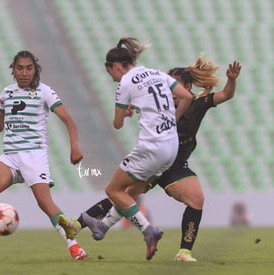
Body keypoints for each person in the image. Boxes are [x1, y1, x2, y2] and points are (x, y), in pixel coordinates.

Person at [59, 55, 242, 262]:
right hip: (157, 159)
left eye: (176, 87)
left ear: (188, 86)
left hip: (176, 165)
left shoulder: (197, 103)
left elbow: (226, 94)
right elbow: (137, 107)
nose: (171, 92)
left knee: (196, 199)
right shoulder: (161, 103)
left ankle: (184, 252)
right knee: (122, 195)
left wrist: (232, 80)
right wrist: (129, 109)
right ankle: (80, 224)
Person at [59, 37, 193, 261]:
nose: (111, 78)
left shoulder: (126, 83)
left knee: (113, 191)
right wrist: (172, 118)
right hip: (171, 147)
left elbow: (118, 123)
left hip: (151, 147)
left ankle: (148, 230)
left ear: (116, 66)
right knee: (129, 193)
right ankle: (101, 227)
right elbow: (187, 96)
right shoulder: (158, 73)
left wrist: (127, 109)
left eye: (110, 72)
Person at [0, 50, 87, 261]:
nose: (24, 72)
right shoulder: (6, 94)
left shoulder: (44, 92)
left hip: (34, 154)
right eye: (19, 68)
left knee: (44, 202)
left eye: (28, 68)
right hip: (11, 155)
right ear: (13, 70)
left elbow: (68, 119)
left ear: (35, 69)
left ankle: (74, 247)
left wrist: (74, 146)